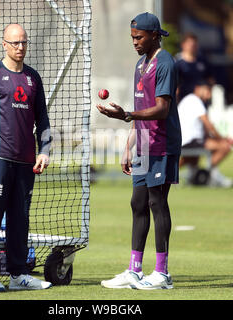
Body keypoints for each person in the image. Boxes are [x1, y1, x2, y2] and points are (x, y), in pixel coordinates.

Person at [96, 12, 180, 290]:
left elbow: (162, 108)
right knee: (137, 203)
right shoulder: (140, 65)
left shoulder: (165, 62)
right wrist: (128, 146)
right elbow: (140, 106)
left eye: (139, 37)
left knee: (157, 202)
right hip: (143, 145)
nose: (134, 42)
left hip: (162, 144)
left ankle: (162, 274)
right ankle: (134, 270)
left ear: (155, 35)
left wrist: (128, 115)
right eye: (132, 37)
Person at [0, 23, 52, 291]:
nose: (20, 47)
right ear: (4, 44)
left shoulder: (33, 78)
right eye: (15, 43)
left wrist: (44, 150)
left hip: (26, 161)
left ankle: (18, 275)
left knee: (20, 218)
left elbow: (43, 119)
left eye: (23, 42)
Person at [178, 81, 233, 187]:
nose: (209, 95)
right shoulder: (196, 101)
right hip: (191, 140)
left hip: (182, 140)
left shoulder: (187, 100)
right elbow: (209, 125)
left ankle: (193, 176)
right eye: (208, 91)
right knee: (225, 146)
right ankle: (211, 175)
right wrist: (222, 139)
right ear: (198, 88)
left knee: (190, 159)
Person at [175, 32, 214, 103]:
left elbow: (210, 79)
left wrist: (208, 89)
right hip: (185, 100)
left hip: (202, 100)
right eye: (190, 44)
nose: (192, 46)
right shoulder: (177, 62)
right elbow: (175, 85)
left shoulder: (202, 61)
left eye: (194, 44)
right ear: (183, 45)